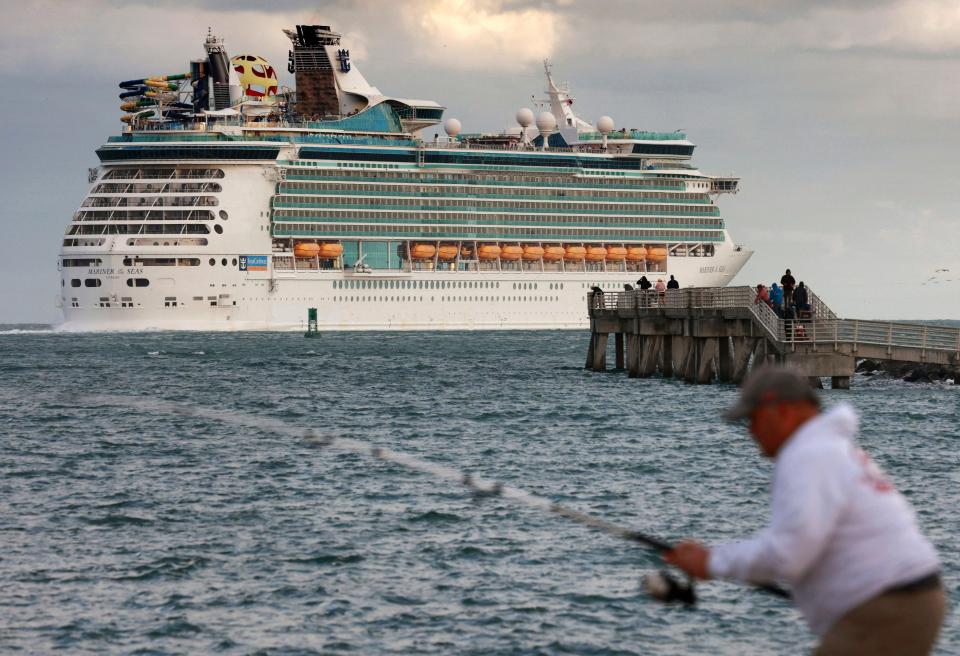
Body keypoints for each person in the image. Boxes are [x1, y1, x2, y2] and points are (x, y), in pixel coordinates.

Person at [663, 367, 945, 655]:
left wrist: (711, 561)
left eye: (753, 419)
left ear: (782, 410)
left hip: (887, 609)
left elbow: (788, 555)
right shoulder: (830, 448)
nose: (750, 431)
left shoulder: (809, 455)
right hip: (905, 601)